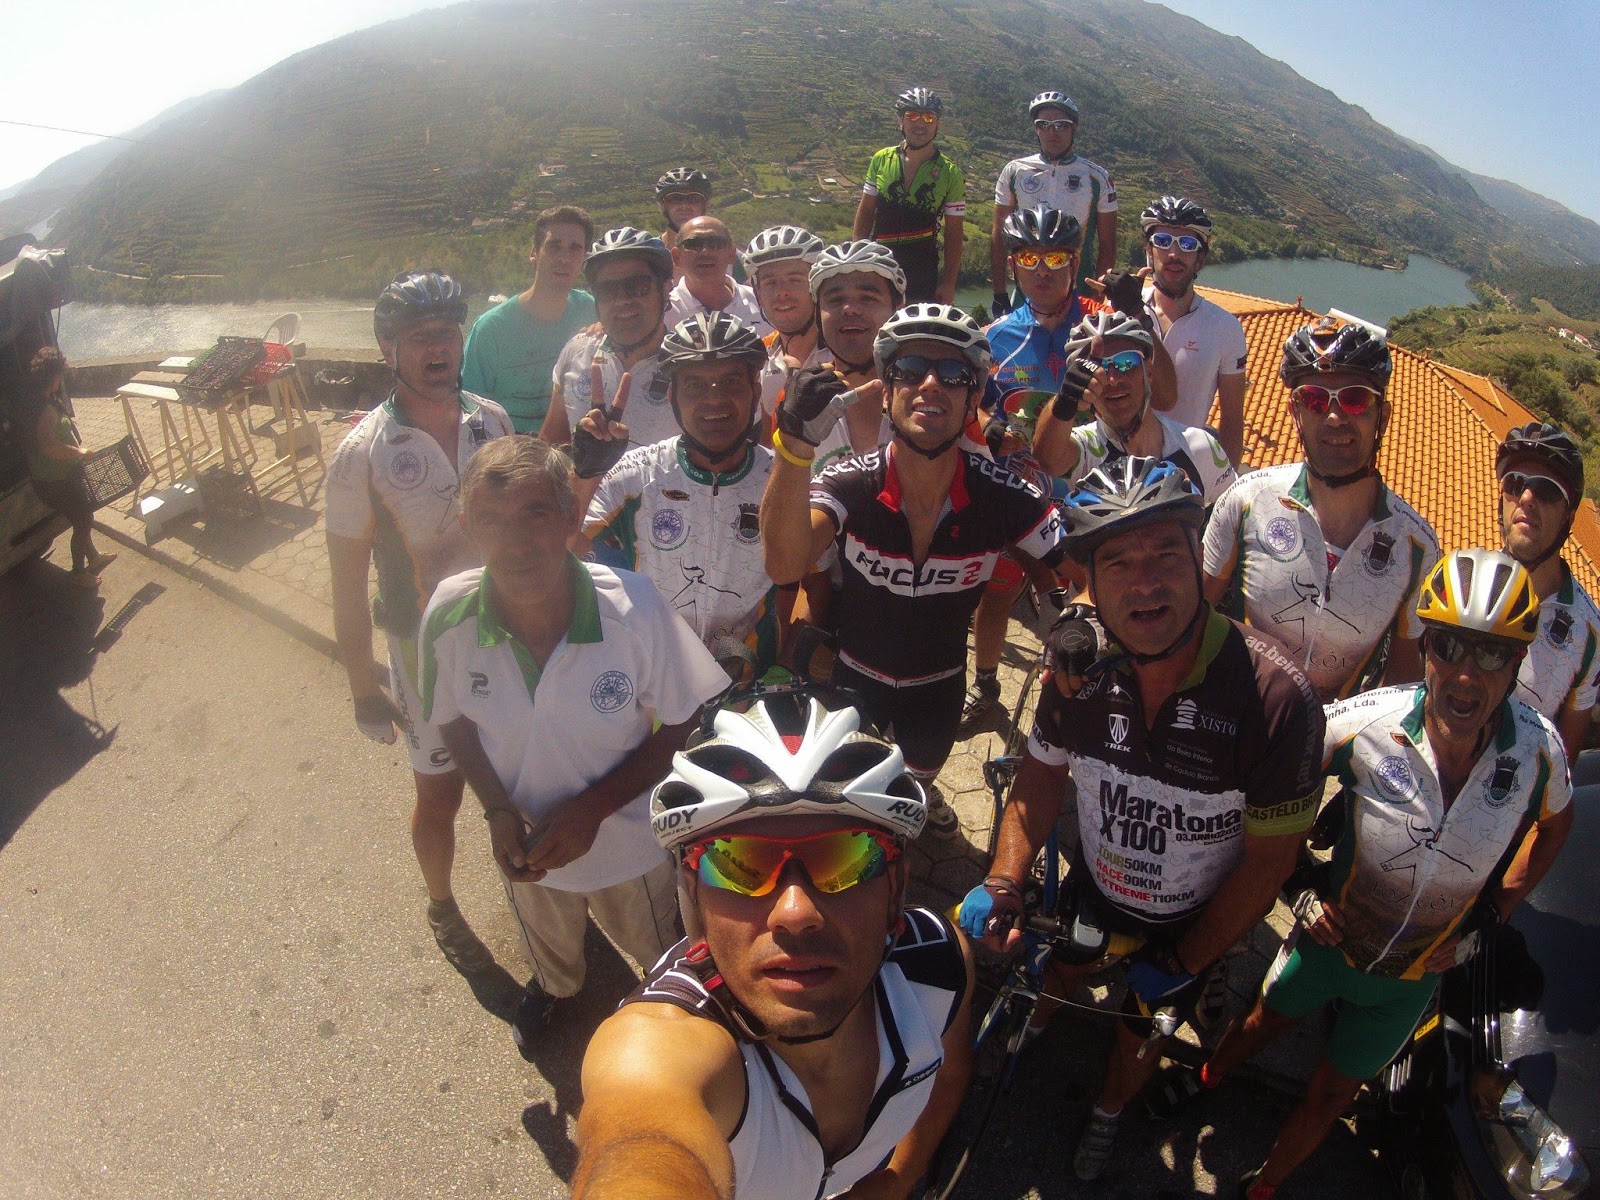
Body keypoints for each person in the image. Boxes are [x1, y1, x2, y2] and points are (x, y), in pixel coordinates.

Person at [958, 457, 1325, 1182]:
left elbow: (1269, 865)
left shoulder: (1279, 701)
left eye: (1165, 555)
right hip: (1098, 887)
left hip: (1194, 918)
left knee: (1139, 1035)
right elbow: (1040, 776)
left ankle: (1108, 1111)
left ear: (1200, 560)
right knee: (1061, 968)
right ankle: (1031, 1024)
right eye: (1119, 563)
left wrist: (1188, 960)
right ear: (1092, 584)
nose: (1146, 582)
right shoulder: (1078, 672)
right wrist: (1003, 877)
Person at [1200, 549, 1573, 1200]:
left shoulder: (1540, 753)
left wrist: (1494, 914)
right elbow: (1275, 781)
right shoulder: (1368, 721)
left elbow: (1556, 829)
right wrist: (1298, 880)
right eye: (1449, 646)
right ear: (1424, 646)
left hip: (1409, 981)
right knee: (1259, 1025)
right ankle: (1204, 1077)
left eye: (1491, 654)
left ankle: (1264, 1189)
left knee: (1331, 1095)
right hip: (1330, 945)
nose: (1465, 674)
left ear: (1518, 663)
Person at [571, 683, 974, 1200]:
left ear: (895, 890)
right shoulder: (657, 1049)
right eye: (738, 862)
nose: (795, 913)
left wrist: (897, 1179)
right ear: (693, 899)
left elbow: (949, 1075)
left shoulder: (941, 965)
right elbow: (640, 1145)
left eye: (847, 857)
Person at [420, 435, 729, 1057]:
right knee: (547, 941)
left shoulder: (633, 607)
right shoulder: (448, 615)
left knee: (656, 945)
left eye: (535, 513)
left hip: (629, 847)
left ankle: (668, 1000)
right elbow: (451, 721)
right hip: (522, 844)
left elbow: (683, 722)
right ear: (467, 527)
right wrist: (497, 810)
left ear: (569, 518)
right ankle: (557, 990)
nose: (515, 543)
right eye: (491, 520)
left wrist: (593, 809)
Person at [761, 303, 1070, 836]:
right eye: (908, 370)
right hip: (852, 679)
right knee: (850, 801)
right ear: (886, 392)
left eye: (952, 374)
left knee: (915, 787)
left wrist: (1076, 617)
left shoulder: (1005, 495)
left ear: (974, 397)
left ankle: (919, 795)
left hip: (938, 689)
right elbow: (783, 562)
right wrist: (795, 444)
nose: (930, 384)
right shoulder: (849, 481)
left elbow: (1083, 575)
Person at [326, 270, 514, 972]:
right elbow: (346, 588)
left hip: (503, 630)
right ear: (389, 350)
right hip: (424, 650)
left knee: (520, 772)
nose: (437, 349)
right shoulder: (361, 452)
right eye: (419, 337)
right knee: (439, 793)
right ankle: (442, 905)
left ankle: (536, 884)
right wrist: (362, 690)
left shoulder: (492, 421)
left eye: (447, 333)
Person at [1203, 318, 1439, 702]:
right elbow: (1192, 617)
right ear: (1294, 412)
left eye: (1355, 399)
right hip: (1236, 710)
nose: (1334, 416)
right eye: (1314, 399)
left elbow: (1401, 678)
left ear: (1383, 415)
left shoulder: (1416, 547)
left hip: (1333, 729)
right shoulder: (1245, 502)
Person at [577, 313, 781, 681]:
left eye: (732, 382)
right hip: (653, 675)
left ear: (755, 391)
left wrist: (788, 663)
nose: (714, 400)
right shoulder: (635, 473)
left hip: (749, 677)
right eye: (694, 386)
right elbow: (565, 545)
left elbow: (812, 580)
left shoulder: (780, 480)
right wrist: (586, 474)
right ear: (672, 397)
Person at [959, 205, 1092, 728]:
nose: (1042, 270)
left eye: (1055, 258)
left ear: (1074, 263)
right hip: (1021, 495)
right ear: (1013, 264)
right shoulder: (994, 337)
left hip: (1089, 492)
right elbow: (974, 404)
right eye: (1029, 258)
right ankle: (986, 685)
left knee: (1090, 602)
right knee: (996, 596)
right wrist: (989, 426)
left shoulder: (1099, 326)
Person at [1032, 310, 1236, 505]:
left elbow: (1234, 515)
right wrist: (1064, 401)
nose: (1113, 379)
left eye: (1126, 362)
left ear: (1149, 371)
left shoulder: (1199, 447)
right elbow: (1048, 460)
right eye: (1098, 368)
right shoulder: (1087, 448)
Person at [1494, 421, 1600, 759]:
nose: (1526, 498)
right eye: (1515, 483)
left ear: (1569, 517)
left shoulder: (1589, 633)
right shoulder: (1459, 583)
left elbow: (1562, 759)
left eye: (1547, 490)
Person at [538, 227, 677, 452]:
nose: (622, 300)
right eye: (607, 290)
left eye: (637, 287)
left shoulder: (689, 366)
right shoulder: (577, 353)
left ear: (666, 288)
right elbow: (550, 445)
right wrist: (582, 463)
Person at [461, 205, 597, 433]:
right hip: (511, 447)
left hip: (577, 441)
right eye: (554, 246)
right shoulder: (490, 330)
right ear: (534, 252)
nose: (564, 258)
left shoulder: (591, 311)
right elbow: (470, 409)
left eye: (575, 249)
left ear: (584, 258)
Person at [1138, 196, 1249, 466]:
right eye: (1163, 241)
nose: (1174, 254)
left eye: (1187, 244)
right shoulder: (1122, 309)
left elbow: (1232, 420)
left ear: (1200, 259)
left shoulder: (1225, 327)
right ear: (1149, 251)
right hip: (1118, 465)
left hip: (1184, 470)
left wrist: (1229, 483)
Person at [991, 91, 1117, 301]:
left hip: (1079, 291)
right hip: (1025, 291)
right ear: (1036, 129)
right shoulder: (1015, 171)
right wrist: (999, 293)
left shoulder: (1097, 177)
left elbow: (1108, 246)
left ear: (1073, 127)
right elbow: (998, 236)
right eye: (1044, 125)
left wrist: (1097, 298)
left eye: (1061, 125)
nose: (1052, 132)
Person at [799, 240, 905, 474]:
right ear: (817, 315)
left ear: (897, 309)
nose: (850, 309)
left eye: (868, 298)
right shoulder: (799, 401)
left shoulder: (931, 396)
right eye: (835, 300)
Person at [853, 87, 966, 305]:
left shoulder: (951, 173)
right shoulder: (881, 159)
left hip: (922, 269)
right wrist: (855, 257)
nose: (920, 124)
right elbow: (866, 211)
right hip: (878, 261)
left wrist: (949, 283)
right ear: (901, 121)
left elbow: (954, 233)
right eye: (912, 116)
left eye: (928, 117)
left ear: (937, 124)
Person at [20, 346, 115, 589]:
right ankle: (78, 573)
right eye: (59, 374)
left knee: (79, 516)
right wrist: (79, 452)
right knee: (83, 519)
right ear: (52, 376)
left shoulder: (40, 399)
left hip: (58, 477)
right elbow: (49, 447)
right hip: (54, 482)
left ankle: (93, 557)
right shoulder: (43, 409)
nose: (60, 379)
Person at [742, 225, 827, 419]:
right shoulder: (759, 356)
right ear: (758, 293)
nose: (782, 292)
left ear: (816, 285)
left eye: (794, 280)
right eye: (770, 282)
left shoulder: (846, 353)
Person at [666, 216, 770, 335]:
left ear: (731, 254)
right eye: (694, 244)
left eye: (715, 243)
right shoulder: (663, 313)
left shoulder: (762, 303)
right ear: (677, 257)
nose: (705, 251)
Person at [656, 167, 712, 264]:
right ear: (663, 206)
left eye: (693, 199)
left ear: (705, 205)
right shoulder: (648, 254)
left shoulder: (726, 257)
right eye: (675, 199)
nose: (684, 206)